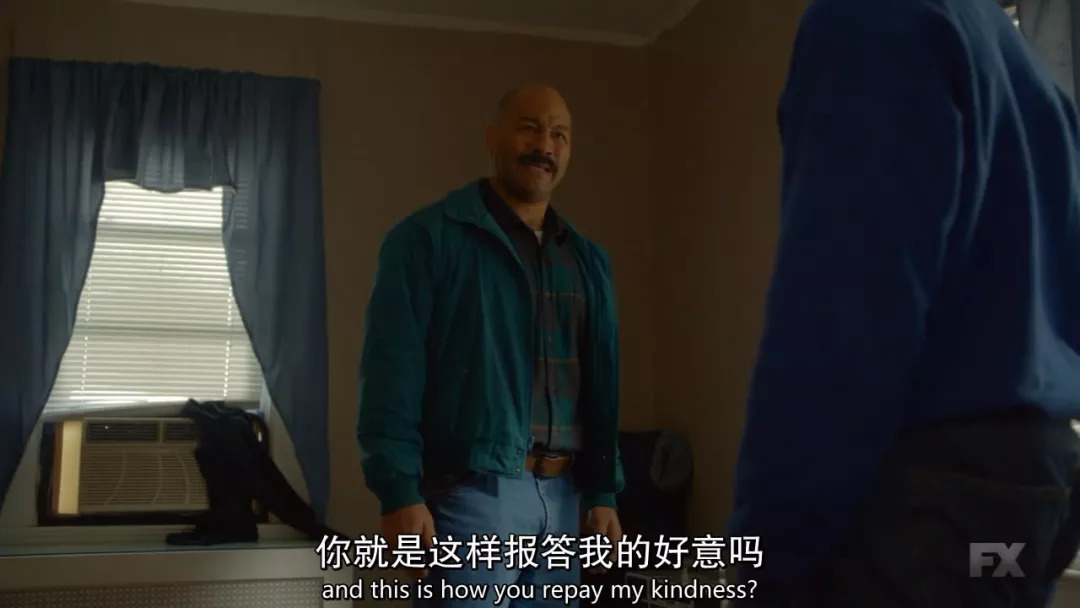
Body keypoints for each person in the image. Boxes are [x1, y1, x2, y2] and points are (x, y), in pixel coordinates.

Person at [729, 0, 1080, 606]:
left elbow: (842, 320)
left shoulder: (871, 19)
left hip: (926, 508)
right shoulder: (1024, 68)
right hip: (1033, 495)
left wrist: (763, 559)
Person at [356, 85, 624, 607]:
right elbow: (391, 375)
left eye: (560, 134)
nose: (544, 145)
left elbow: (599, 387)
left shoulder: (588, 261)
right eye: (529, 128)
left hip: (566, 503)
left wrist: (602, 489)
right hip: (471, 499)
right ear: (492, 137)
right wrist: (398, 490)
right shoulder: (427, 239)